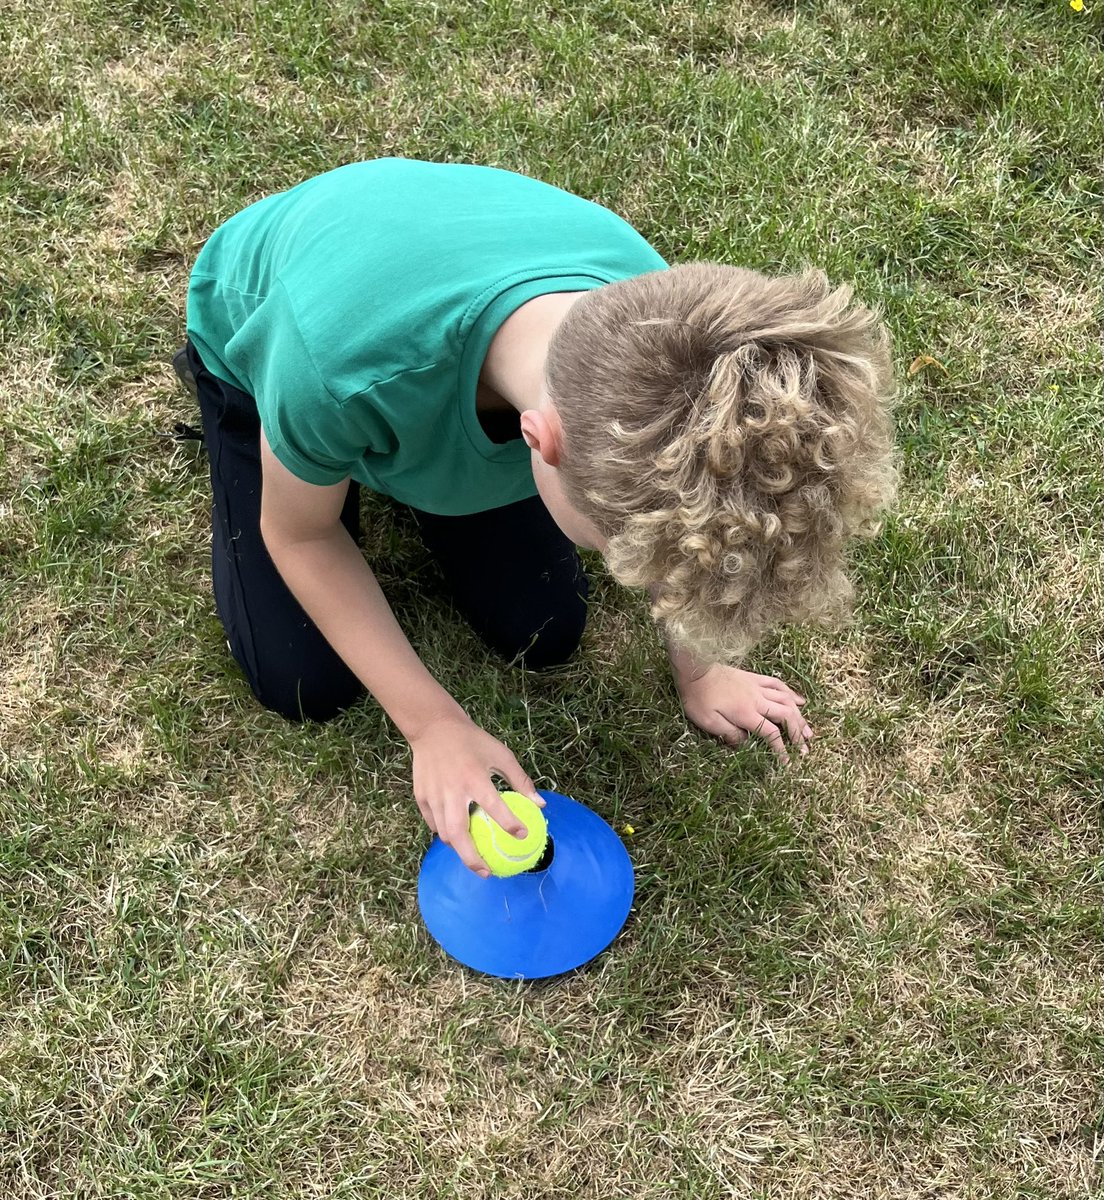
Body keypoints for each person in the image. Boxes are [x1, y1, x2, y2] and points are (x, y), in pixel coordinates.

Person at [178, 157, 895, 878]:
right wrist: (434, 726)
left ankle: (398, 463)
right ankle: (308, 448)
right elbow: (300, 535)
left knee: (544, 628)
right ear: (540, 442)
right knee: (303, 682)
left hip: (423, 348)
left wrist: (704, 673)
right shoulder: (336, 373)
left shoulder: (678, 341)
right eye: (619, 553)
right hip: (274, 338)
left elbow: (701, 509)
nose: (633, 575)